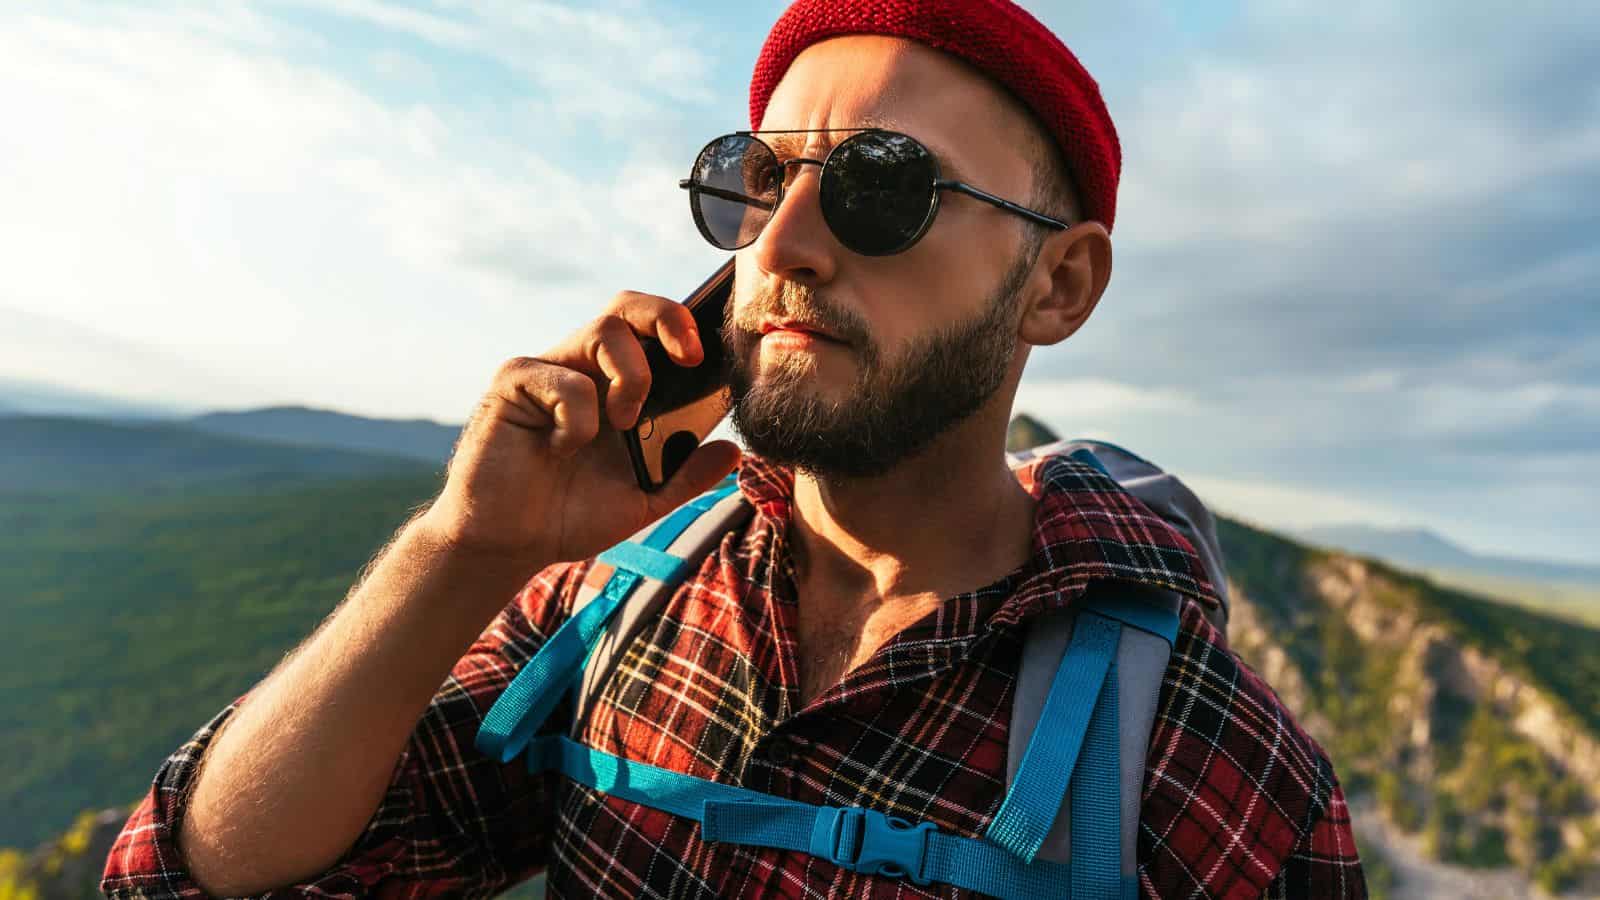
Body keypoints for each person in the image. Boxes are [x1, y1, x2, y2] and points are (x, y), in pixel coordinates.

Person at [103, 1, 1366, 897]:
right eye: (753, 182)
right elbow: (190, 878)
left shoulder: (1200, 757)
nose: (776, 249)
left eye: (882, 185)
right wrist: (462, 549)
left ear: (1058, 284)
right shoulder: (611, 602)